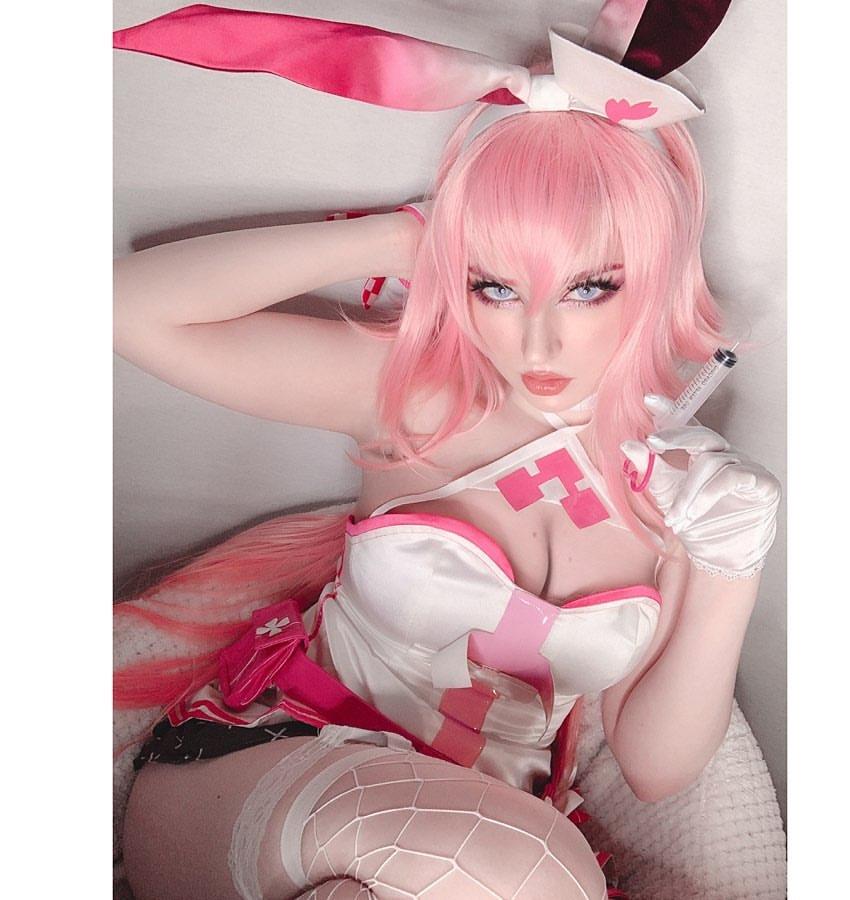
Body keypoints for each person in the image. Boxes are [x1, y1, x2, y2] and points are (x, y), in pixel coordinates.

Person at [113, 4, 779, 899]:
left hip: (487, 850)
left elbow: (655, 770)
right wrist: (405, 237)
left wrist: (733, 566)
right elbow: (127, 311)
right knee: (519, 867)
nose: (537, 342)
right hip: (273, 776)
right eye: (495, 286)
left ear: (656, 277)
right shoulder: (418, 393)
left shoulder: (684, 488)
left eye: (589, 288)